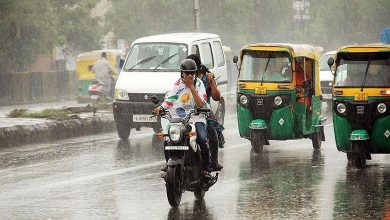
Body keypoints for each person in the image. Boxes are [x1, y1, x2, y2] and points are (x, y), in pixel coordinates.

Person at [153, 59, 212, 176]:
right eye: (187, 73)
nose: (190, 76)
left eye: (192, 73)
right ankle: (168, 164)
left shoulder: (199, 84)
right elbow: (170, 100)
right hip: (179, 119)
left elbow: (201, 104)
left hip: (196, 118)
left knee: (202, 138)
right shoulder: (177, 84)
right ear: (182, 73)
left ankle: (206, 168)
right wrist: (161, 108)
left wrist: (191, 87)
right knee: (168, 138)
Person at [187, 54, 224, 171]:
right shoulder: (184, 79)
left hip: (203, 111)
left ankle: (213, 161)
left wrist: (211, 82)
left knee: (212, 130)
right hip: (186, 111)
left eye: (191, 69)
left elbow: (217, 97)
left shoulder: (205, 78)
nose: (189, 73)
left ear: (197, 67)